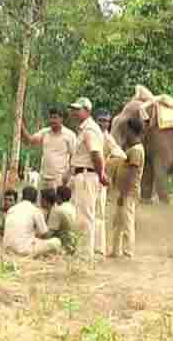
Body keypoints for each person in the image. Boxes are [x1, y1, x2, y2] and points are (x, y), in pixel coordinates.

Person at [66, 97, 107, 261]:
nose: (75, 113)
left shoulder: (89, 129)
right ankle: (84, 252)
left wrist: (101, 174)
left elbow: (96, 154)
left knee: (85, 217)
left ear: (87, 111)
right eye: (74, 110)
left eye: (78, 110)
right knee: (83, 215)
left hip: (86, 175)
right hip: (83, 175)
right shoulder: (84, 129)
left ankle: (84, 255)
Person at [94, 109, 127, 257]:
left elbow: (121, 155)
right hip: (87, 176)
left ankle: (99, 248)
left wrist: (106, 166)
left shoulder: (107, 138)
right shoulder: (92, 133)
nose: (104, 123)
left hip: (100, 179)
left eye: (106, 121)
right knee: (88, 213)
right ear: (96, 120)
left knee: (99, 213)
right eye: (101, 120)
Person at [111, 117, 146, 258]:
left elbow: (132, 175)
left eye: (127, 130)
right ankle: (116, 251)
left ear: (132, 131)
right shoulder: (132, 148)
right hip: (124, 192)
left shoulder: (136, 150)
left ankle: (127, 252)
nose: (125, 133)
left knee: (127, 222)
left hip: (129, 192)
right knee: (118, 222)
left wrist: (123, 194)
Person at [21, 107, 77, 192]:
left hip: (59, 179)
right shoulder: (45, 132)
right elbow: (30, 141)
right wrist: (21, 125)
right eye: (51, 117)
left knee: (56, 204)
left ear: (61, 119)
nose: (52, 120)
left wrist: (68, 175)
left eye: (55, 118)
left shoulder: (70, 135)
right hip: (43, 177)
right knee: (41, 203)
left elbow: (75, 157)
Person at [2, 187, 61, 257]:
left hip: (7, 248)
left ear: (22, 197)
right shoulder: (36, 211)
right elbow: (46, 235)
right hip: (23, 250)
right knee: (56, 242)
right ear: (35, 199)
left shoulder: (11, 209)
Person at [47, 186, 78, 254]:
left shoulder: (57, 210)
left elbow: (50, 233)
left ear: (58, 197)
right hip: (73, 243)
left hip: (62, 245)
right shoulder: (72, 208)